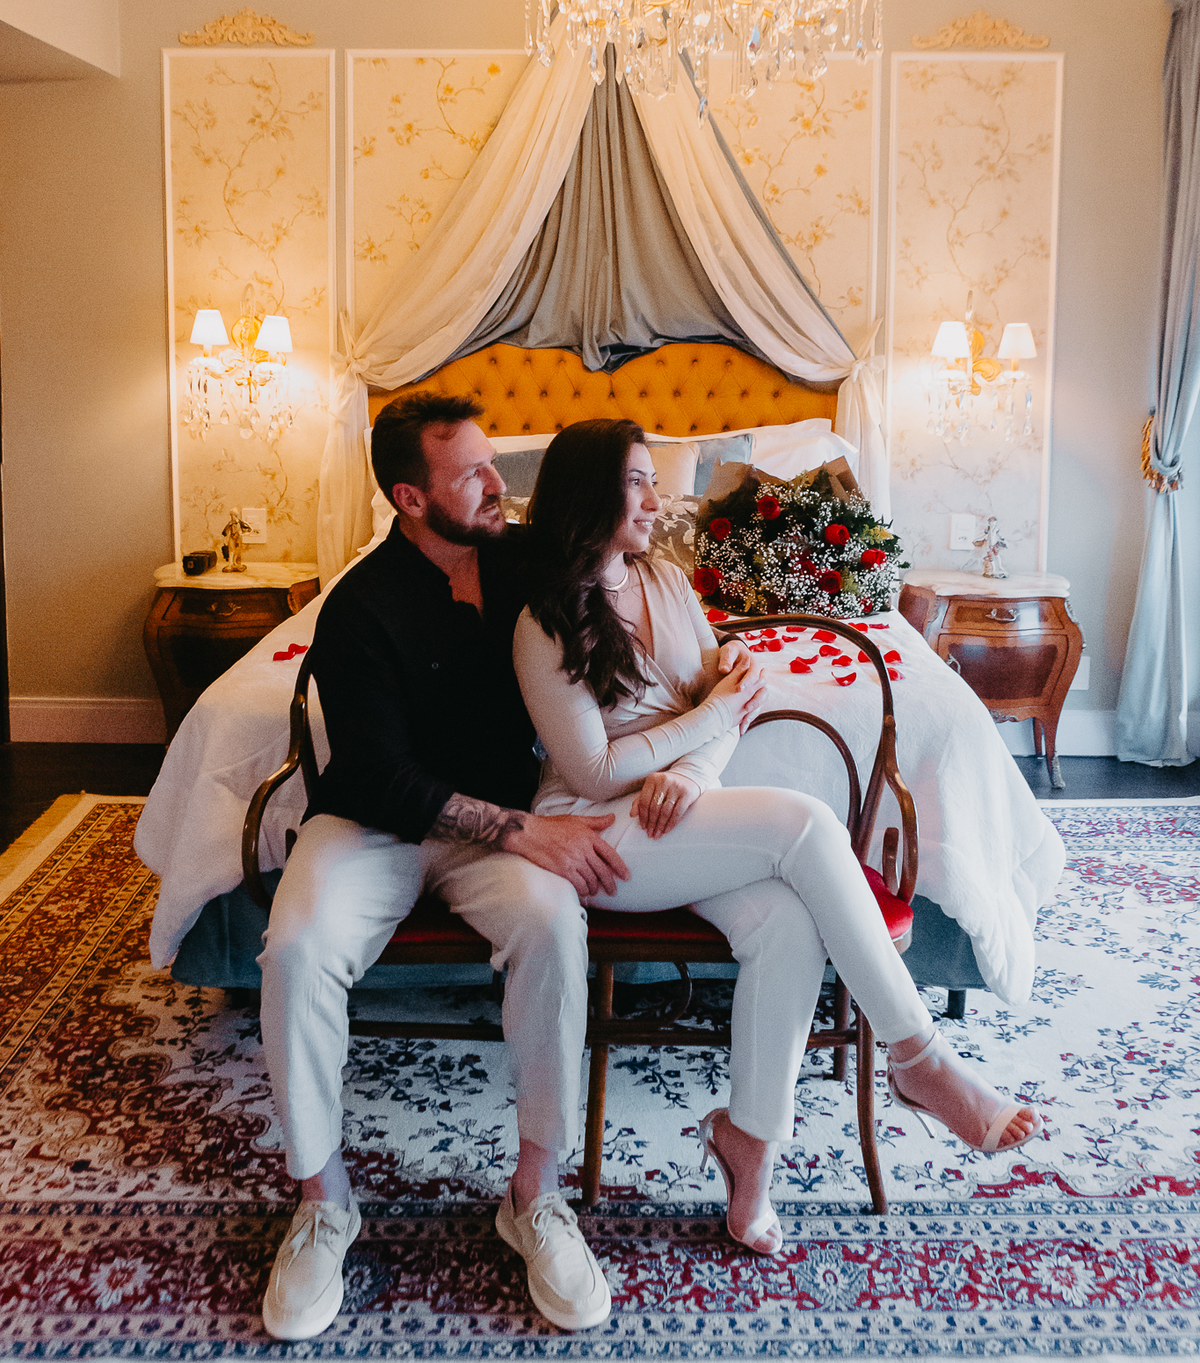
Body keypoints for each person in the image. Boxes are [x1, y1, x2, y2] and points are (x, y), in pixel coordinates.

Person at [513, 418, 1041, 1256]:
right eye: (638, 481)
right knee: (805, 821)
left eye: (653, 478)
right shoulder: (543, 621)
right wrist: (709, 721)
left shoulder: (666, 580)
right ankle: (919, 1058)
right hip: (598, 831)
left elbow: (734, 696)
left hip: (680, 810)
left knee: (788, 924)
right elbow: (594, 769)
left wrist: (696, 770)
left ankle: (749, 1148)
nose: (657, 499)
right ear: (589, 497)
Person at [257, 395, 626, 1339]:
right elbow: (379, 775)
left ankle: (535, 1196)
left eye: (494, 463)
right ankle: (323, 1203)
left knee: (554, 923)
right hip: (373, 825)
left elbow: (626, 570)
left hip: (497, 832)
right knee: (295, 948)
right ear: (411, 498)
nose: (501, 485)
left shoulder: (528, 562)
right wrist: (520, 830)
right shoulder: (360, 608)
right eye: (473, 475)